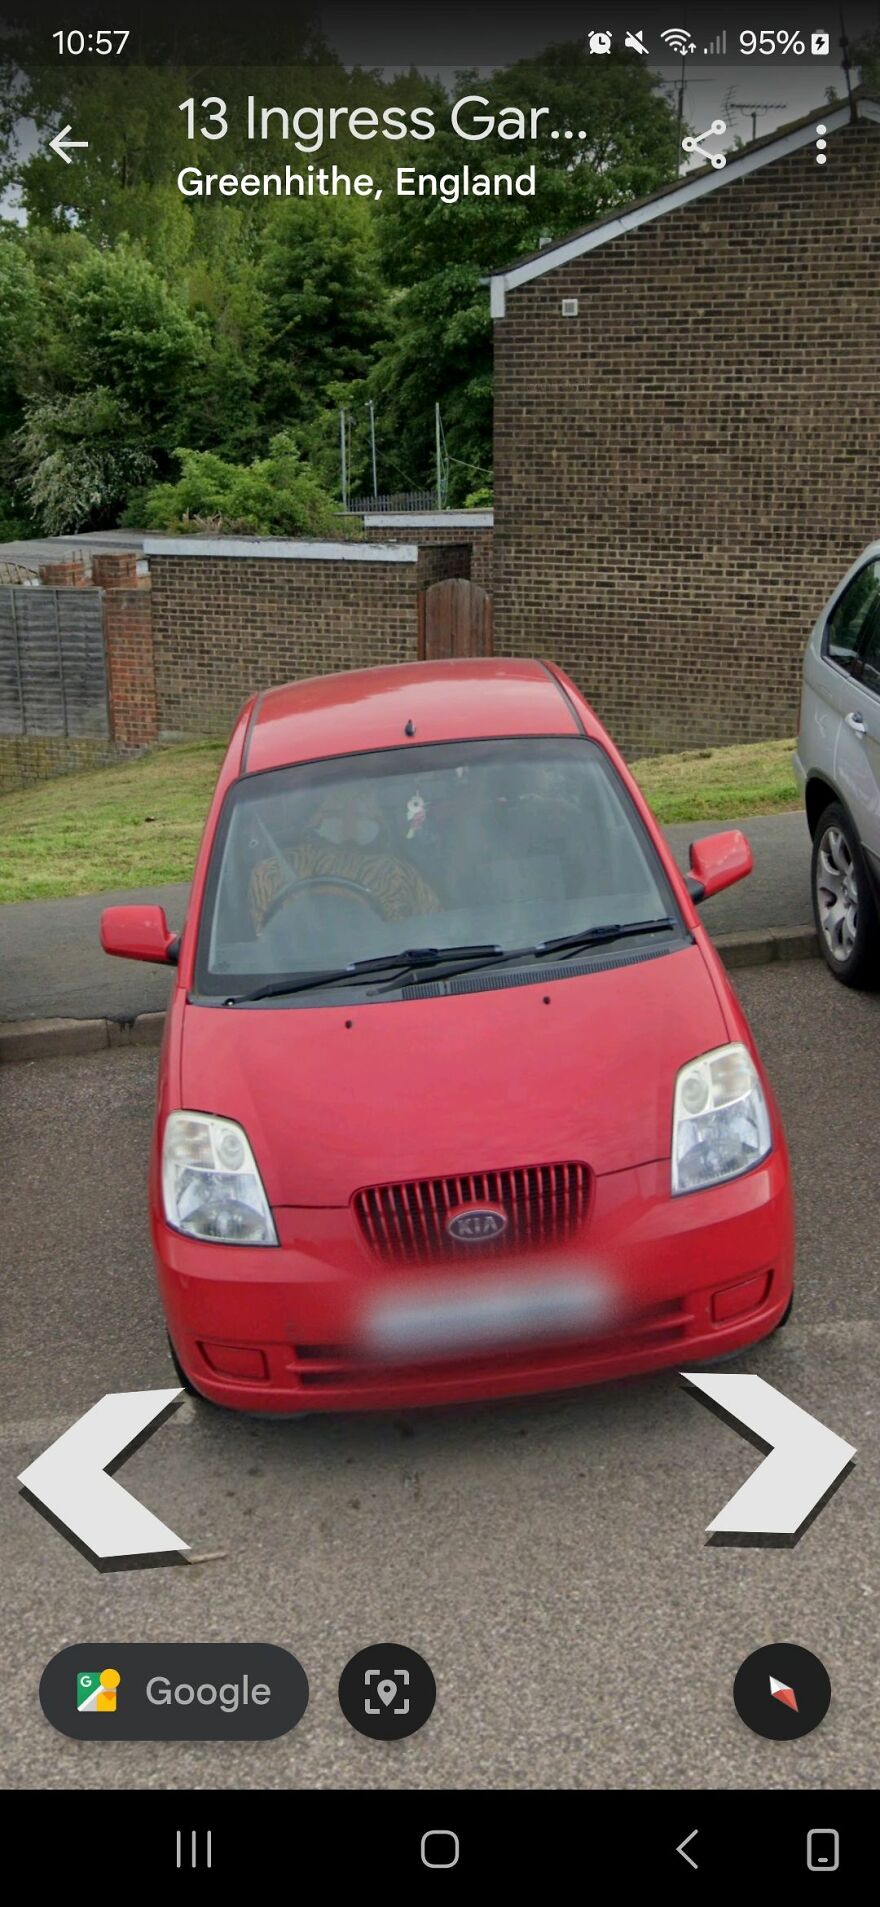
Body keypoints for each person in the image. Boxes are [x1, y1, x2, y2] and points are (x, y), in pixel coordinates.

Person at [249, 782, 440, 934]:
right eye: (337, 813)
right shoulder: (271, 873)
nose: (349, 825)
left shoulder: (396, 873)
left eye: (360, 812)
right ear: (315, 816)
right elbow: (265, 947)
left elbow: (435, 933)